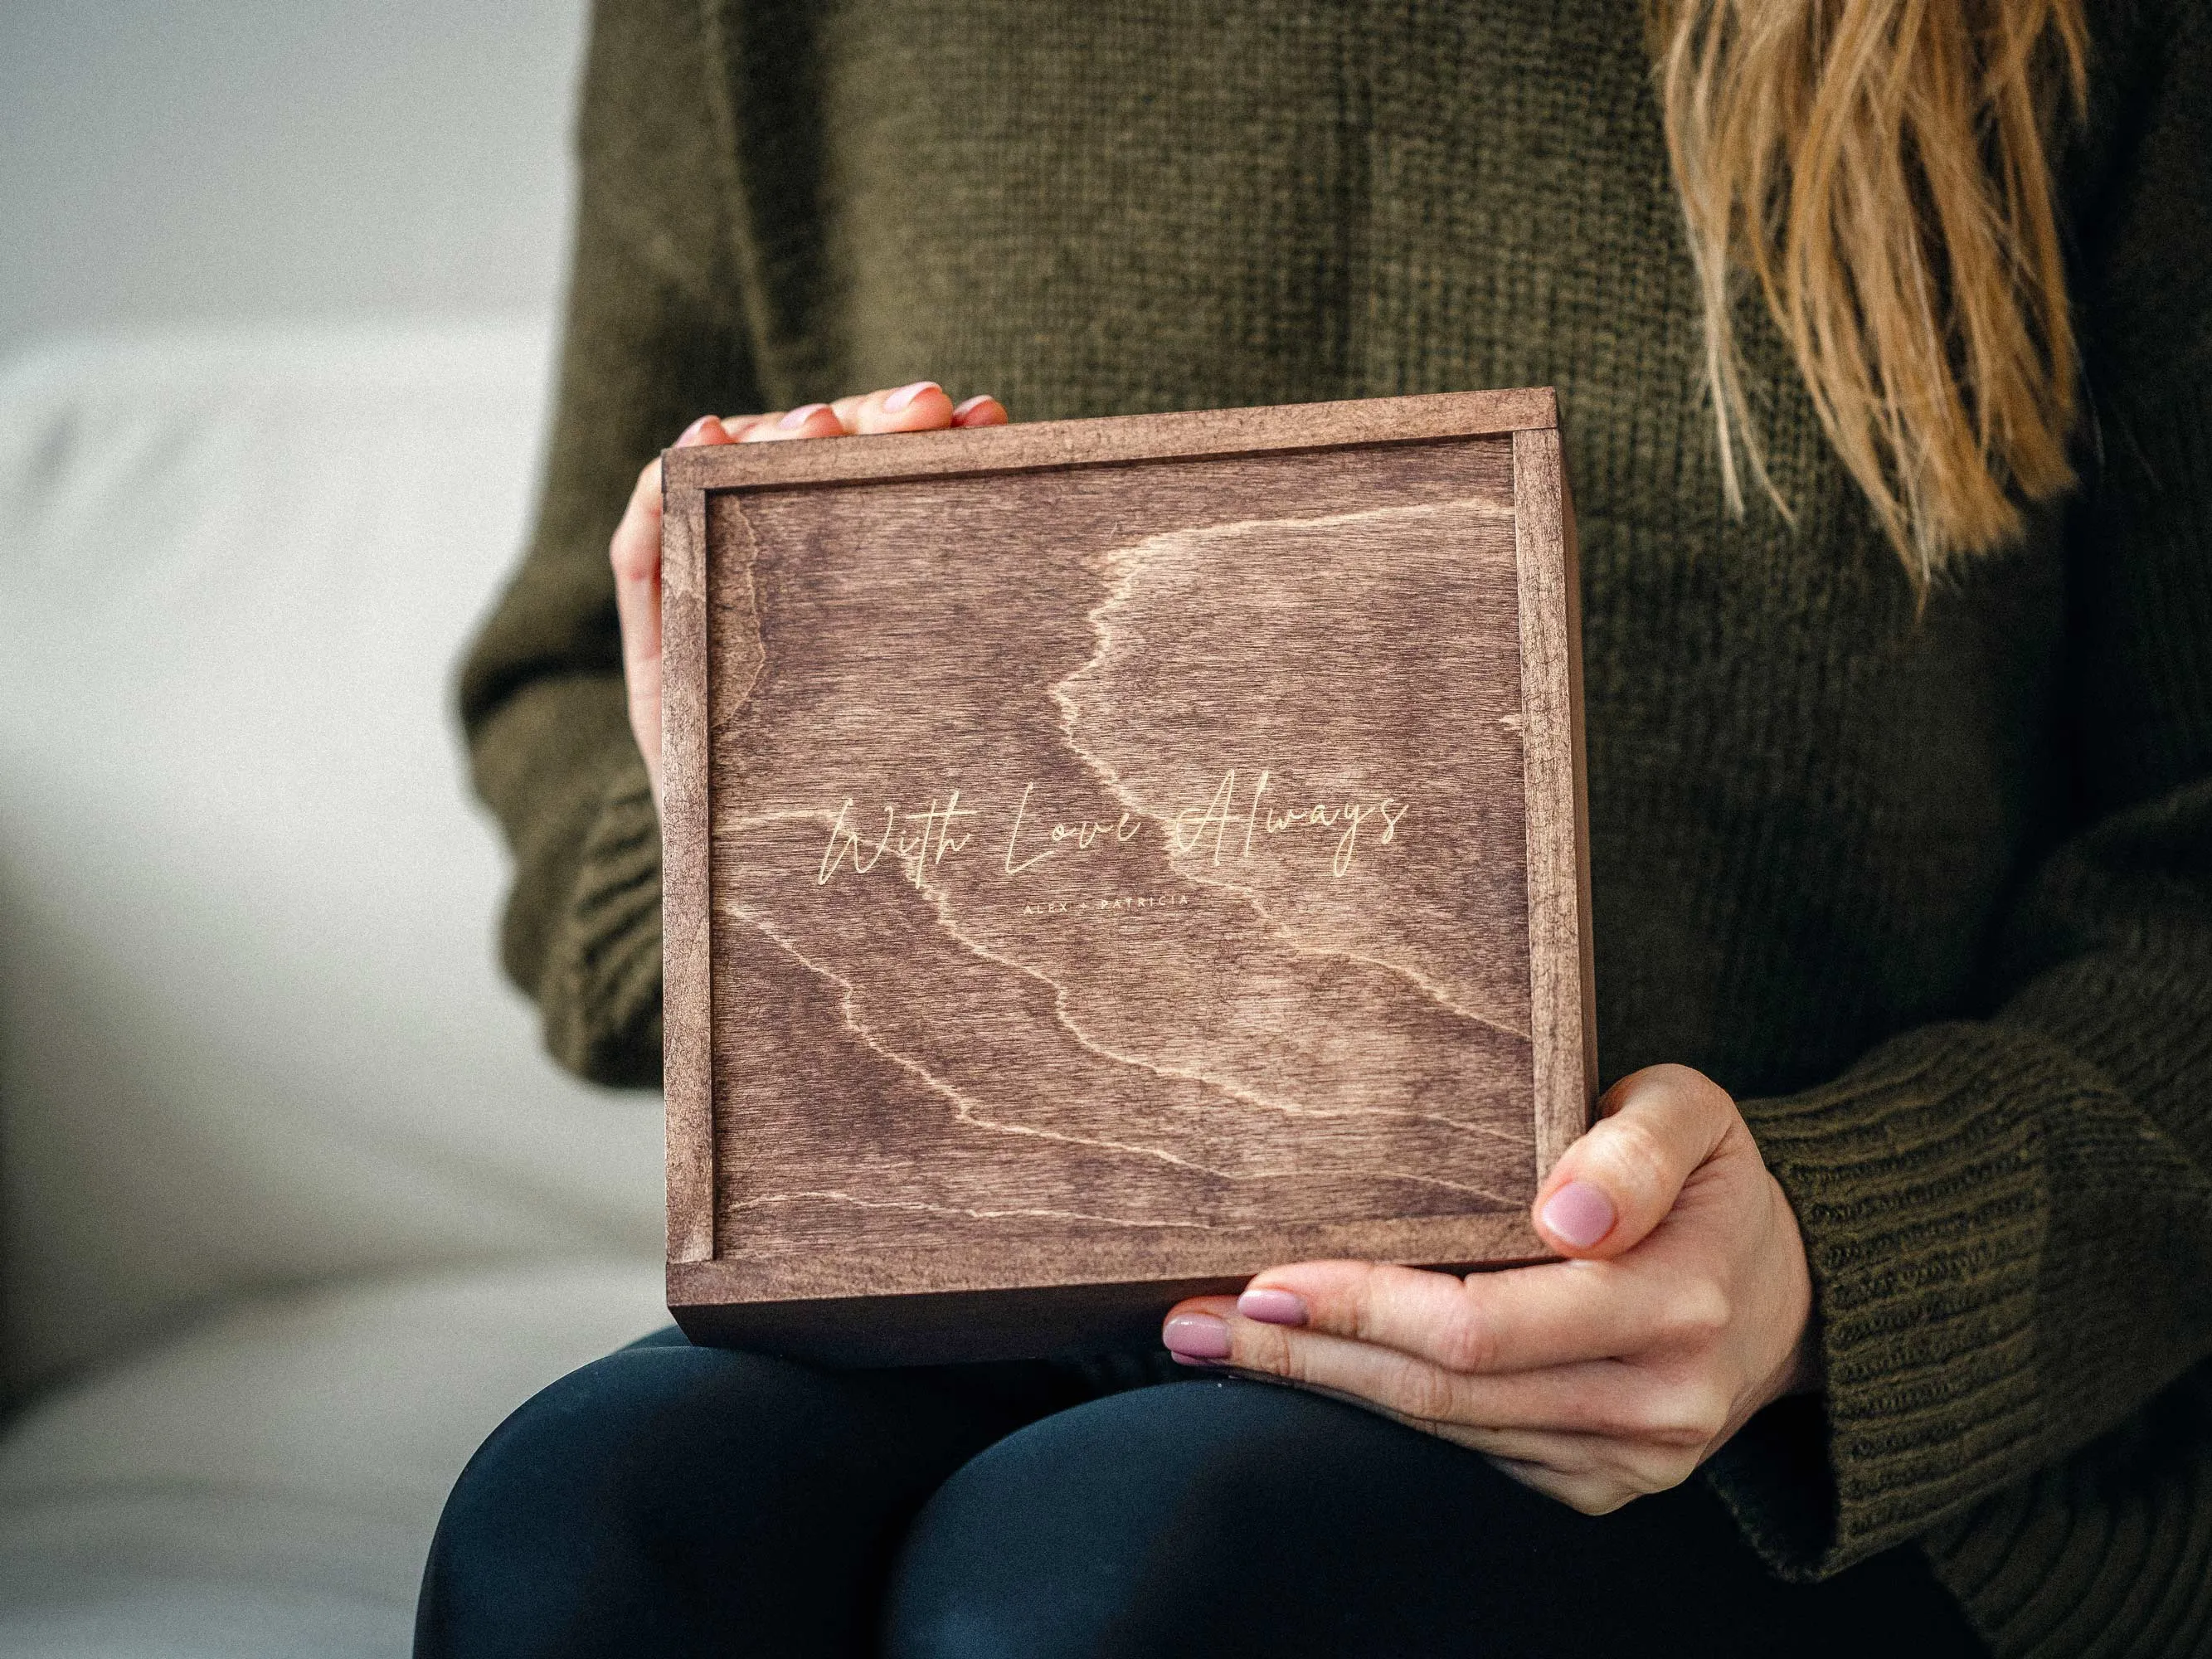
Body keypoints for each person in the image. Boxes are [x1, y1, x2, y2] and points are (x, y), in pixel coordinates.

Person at [417, 0, 2212, 1653]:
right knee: (580, 1541)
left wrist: (1844, 1259)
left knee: (1113, 1584)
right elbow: (566, 682)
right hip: (976, 1303)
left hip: (1800, 1427)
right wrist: (763, 814)